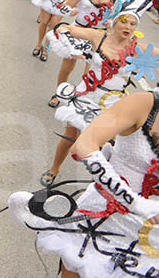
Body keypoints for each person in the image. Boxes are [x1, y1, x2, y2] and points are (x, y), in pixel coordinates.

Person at [9, 56, 159, 277]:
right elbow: (84, 145)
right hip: (99, 222)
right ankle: (53, 168)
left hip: (149, 242)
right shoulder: (143, 104)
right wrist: (134, 202)